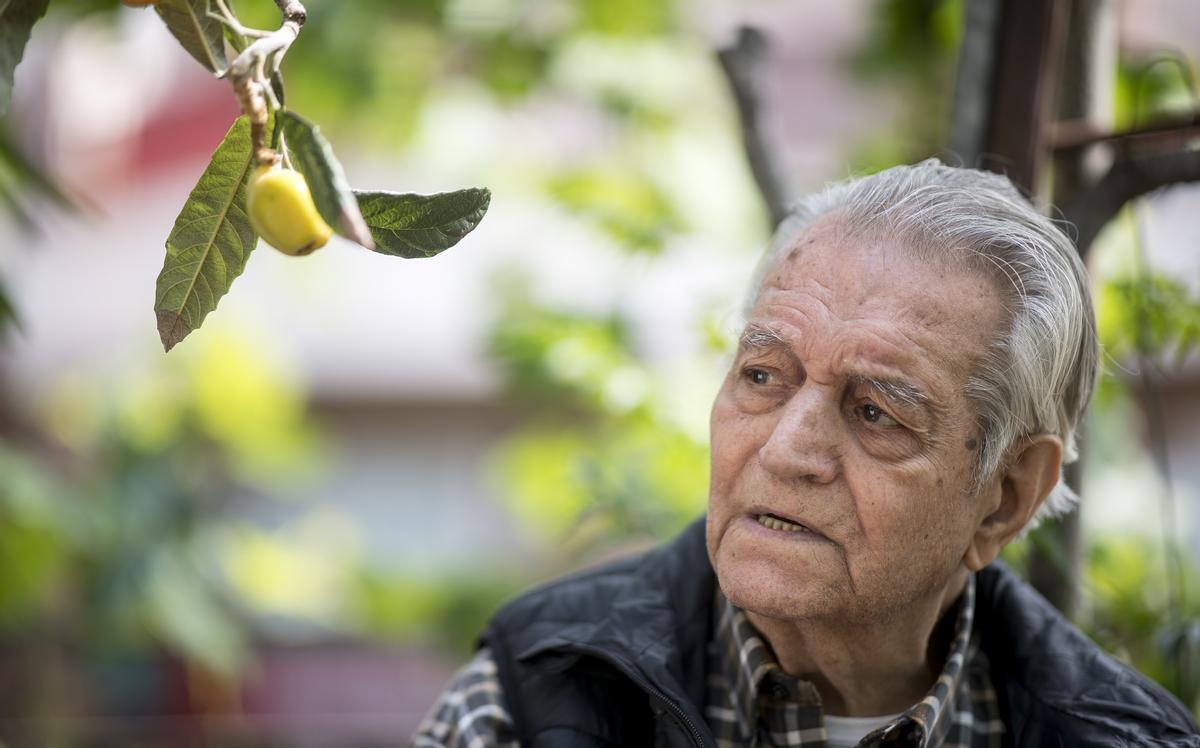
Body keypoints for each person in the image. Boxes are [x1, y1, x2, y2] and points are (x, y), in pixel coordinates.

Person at [411, 161, 1200, 747]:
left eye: (874, 413)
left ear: (1004, 496)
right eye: (762, 376)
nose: (788, 450)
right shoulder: (541, 694)